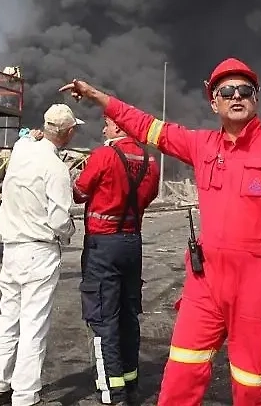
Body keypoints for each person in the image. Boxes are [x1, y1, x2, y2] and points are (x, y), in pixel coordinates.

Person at [59, 58, 261, 406]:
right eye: (226, 91)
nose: (236, 96)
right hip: (205, 283)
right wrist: (96, 96)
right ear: (214, 103)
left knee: (252, 387)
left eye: (244, 90)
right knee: (180, 378)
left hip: (257, 285)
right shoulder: (201, 145)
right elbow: (146, 126)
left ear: (256, 98)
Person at [0, 103, 84, 406]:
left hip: (11, 249)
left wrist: (33, 135)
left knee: (8, 319)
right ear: (69, 132)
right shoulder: (56, 169)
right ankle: (26, 396)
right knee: (34, 325)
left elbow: (27, 137)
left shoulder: (21, 149)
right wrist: (70, 231)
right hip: (39, 251)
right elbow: (59, 220)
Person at [72, 115, 161, 405]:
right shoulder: (150, 162)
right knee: (128, 315)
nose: (103, 129)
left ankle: (113, 391)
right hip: (132, 243)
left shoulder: (104, 155)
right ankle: (130, 383)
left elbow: (79, 193)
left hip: (103, 245)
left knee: (102, 318)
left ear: (119, 127)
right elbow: (148, 196)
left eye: (107, 124)